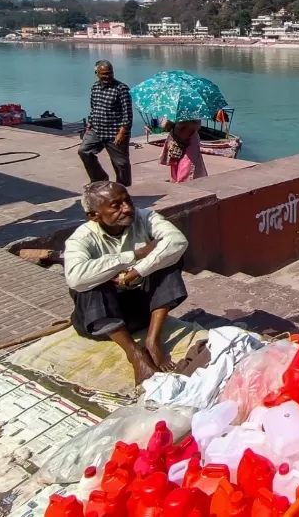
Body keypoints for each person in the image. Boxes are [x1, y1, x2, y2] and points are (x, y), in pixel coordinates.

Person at [64, 181, 189, 385]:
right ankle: (134, 353)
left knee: (170, 258)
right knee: (88, 282)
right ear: (94, 215)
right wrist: (134, 255)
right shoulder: (81, 238)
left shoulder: (144, 217)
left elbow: (177, 241)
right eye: (116, 205)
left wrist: (138, 270)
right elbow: (75, 278)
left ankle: (152, 340)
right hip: (102, 320)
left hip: (142, 314)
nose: (127, 208)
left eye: (128, 201)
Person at [79, 61, 134, 187]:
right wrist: (90, 124)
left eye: (110, 73)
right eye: (104, 74)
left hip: (115, 131)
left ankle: (121, 187)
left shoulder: (121, 89)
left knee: (121, 163)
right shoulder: (95, 87)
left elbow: (128, 113)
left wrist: (122, 132)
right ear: (96, 73)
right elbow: (94, 107)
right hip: (97, 129)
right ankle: (99, 179)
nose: (107, 76)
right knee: (84, 151)